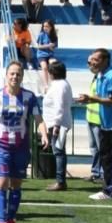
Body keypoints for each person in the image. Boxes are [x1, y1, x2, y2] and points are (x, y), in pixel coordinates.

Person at [0, 60, 48, 223]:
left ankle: (11, 218)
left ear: (22, 77)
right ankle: (1, 221)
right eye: (12, 73)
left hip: (20, 147)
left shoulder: (29, 97)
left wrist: (44, 134)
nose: (15, 76)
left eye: (18, 74)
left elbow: (38, 118)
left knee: (16, 185)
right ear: (6, 76)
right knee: (1, 183)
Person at [78, 49, 112, 201]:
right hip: (106, 123)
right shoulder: (101, 75)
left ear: (105, 60)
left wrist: (91, 99)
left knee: (111, 158)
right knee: (106, 157)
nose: (92, 62)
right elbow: (101, 99)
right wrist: (89, 100)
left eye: (95, 59)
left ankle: (110, 191)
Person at [42, 60, 73, 191]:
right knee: (59, 151)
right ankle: (60, 180)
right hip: (58, 122)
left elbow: (59, 106)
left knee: (58, 152)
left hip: (58, 124)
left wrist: (56, 125)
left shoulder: (59, 86)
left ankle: (60, 181)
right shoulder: (61, 84)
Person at [34, 19, 58, 91]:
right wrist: (48, 45)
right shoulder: (41, 35)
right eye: (44, 26)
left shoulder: (54, 36)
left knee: (53, 65)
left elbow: (53, 47)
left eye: (47, 26)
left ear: (51, 27)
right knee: (44, 67)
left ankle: (54, 82)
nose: (45, 28)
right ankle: (46, 85)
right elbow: (39, 46)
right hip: (41, 55)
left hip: (50, 55)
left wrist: (51, 47)